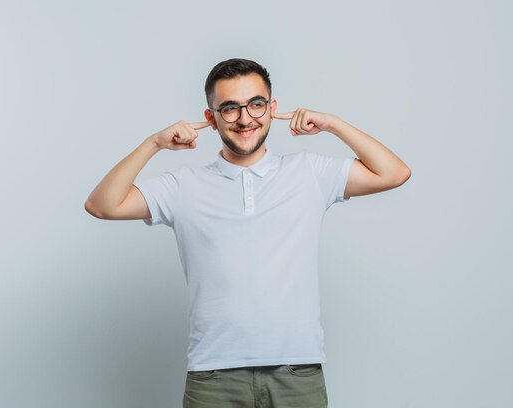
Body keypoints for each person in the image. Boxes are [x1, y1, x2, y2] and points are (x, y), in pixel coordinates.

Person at [85, 58, 411, 408]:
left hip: (297, 371)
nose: (245, 119)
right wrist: (154, 143)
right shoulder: (184, 186)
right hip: (213, 375)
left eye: (255, 104)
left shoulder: (309, 173)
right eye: (229, 108)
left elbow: (393, 172)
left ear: (271, 108)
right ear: (210, 118)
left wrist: (333, 125)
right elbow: (103, 205)